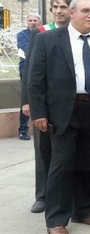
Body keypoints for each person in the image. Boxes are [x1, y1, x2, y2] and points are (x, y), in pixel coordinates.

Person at [27, 0, 90, 234]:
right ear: (72, 13)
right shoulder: (48, 40)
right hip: (62, 112)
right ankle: (55, 218)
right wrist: (39, 113)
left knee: (88, 162)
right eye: (86, 11)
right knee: (61, 165)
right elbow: (35, 80)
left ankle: (82, 210)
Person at [22, 0, 73, 214]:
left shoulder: (79, 32)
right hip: (45, 102)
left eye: (64, 6)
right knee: (44, 150)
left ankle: (70, 195)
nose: (59, 10)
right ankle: (42, 194)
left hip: (71, 104)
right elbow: (30, 72)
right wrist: (28, 102)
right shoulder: (39, 33)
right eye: (55, 6)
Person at [17, 13, 41, 141]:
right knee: (26, 99)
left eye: (35, 20)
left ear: (39, 22)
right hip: (26, 70)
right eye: (30, 20)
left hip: (41, 70)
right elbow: (27, 49)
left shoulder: (44, 33)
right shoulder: (22, 35)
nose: (32, 22)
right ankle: (23, 129)